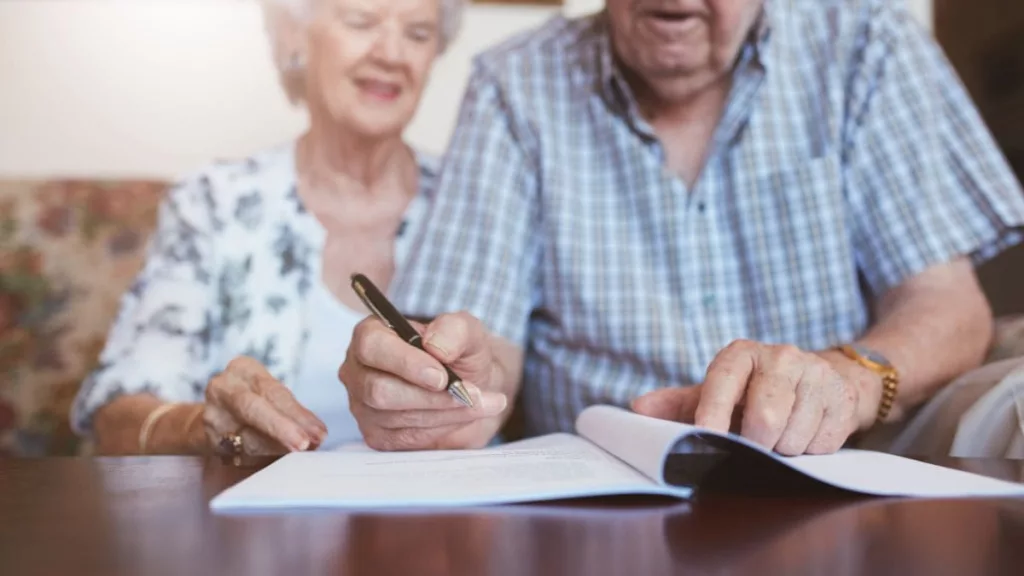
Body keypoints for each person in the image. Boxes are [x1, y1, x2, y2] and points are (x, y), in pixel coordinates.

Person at [339, 0, 1024, 455]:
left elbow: (948, 305)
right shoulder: (513, 83)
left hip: (842, 480)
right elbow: (483, 360)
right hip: (601, 514)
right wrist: (442, 390)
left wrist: (846, 380)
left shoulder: (868, 45)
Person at [71, 0, 467, 455]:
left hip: (443, 519)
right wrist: (205, 428)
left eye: (418, 33)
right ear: (292, 34)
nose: (393, 53)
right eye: (362, 21)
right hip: (260, 521)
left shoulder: (478, 199)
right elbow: (117, 417)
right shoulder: (214, 201)